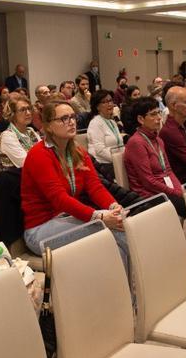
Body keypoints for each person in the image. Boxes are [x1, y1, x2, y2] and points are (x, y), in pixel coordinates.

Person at [20, 102, 127, 264]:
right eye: (63, 118)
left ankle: (127, 286)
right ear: (48, 126)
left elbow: (95, 187)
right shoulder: (38, 154)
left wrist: (113, 206)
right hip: (40, 231)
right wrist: (99, 216)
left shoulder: (78, 152)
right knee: (113, 231)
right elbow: (59, 199)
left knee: (121, 231)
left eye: (72, 117)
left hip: (67, 219)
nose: (71, 122)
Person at [123, 97, 186, 216]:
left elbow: (168, 170)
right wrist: (175, 192)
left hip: (164, 190)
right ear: (141, 119)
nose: (159, 118)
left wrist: (180, 190)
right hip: (149, 195)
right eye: (153, 114)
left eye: (159, 112)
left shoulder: (158, 139)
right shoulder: (136, 143)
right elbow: (148, 181)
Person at [0, 94, 42, 171]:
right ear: (13, 114)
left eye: (29, 109)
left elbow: (45, 152)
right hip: (19, 179)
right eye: (23, 110)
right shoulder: (8, 136)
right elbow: (27, 163)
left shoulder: (30, 131)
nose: (28, 113)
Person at [86, 90, 124, 176]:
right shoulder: (95, 123)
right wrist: (118, 160)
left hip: (117, 161)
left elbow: (120, 145)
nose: (110, 104)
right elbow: (100, 150)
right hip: (103, 165)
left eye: (110, 100)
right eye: (105, 102)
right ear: (97, 106)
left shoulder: (112, 122)